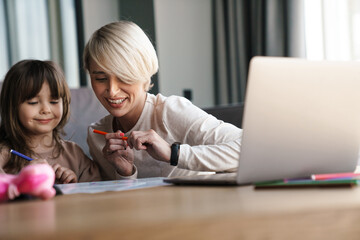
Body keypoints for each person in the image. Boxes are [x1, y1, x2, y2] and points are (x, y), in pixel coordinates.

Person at [84, 21, 242, 180]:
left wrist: (173, 153)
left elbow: (248, 149)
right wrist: (126, 173)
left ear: (144, 73)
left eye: (124, 77)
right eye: (100, 78)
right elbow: (126, 202)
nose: (112, 90)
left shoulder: (171, 112)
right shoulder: (97, 136)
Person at [0, 60, 101, 183]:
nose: (46, 110)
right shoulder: (4, 155)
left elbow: (95, 194)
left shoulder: (74, 153)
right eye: (33, 102)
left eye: (53, 101)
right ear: (12, 107)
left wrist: (73, 186)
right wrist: (21, 180)